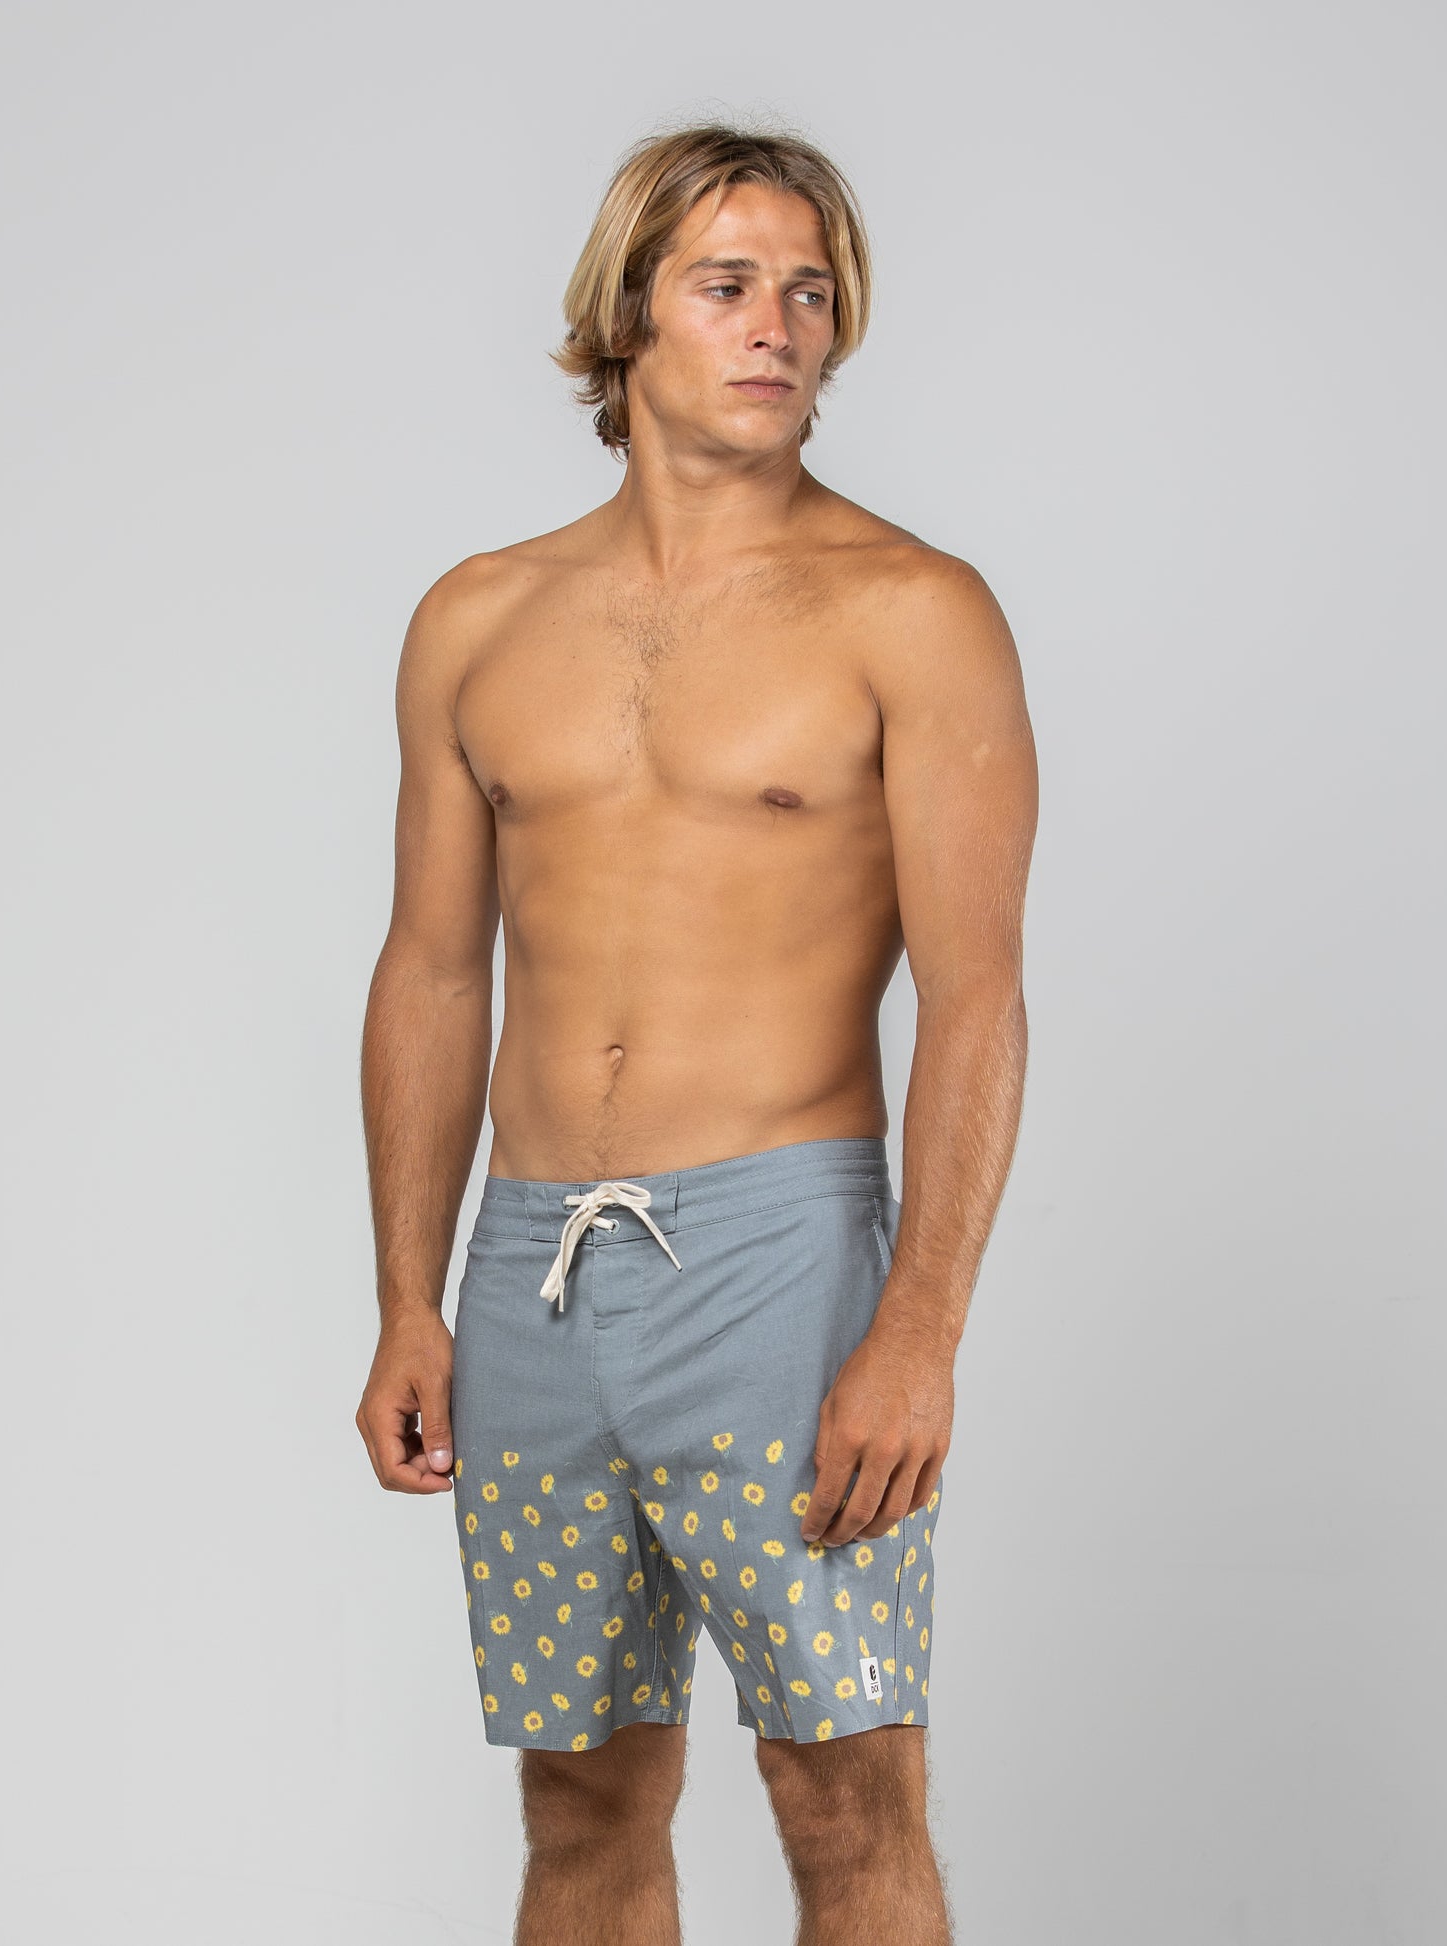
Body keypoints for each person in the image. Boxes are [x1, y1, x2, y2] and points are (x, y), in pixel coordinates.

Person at [355, 122, 1038, 1946]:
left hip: (777, 1257)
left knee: (843, 1786)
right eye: (727, 285)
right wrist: (408, 1294)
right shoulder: (477, 617)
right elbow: (432, 969)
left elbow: (977, 993)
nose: (776, 326)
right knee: (580, 1798)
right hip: (530, 1268)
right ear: (626, 315)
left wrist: (919, 1331)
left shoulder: (911, 610)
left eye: (808, 293)